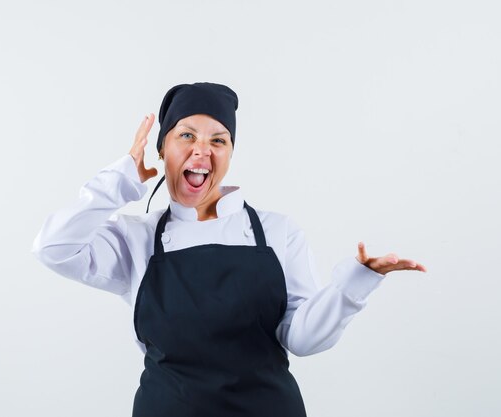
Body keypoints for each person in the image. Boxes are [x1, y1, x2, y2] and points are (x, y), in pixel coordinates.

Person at [31, 82, 427, 417]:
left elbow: (303, 340)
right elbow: (53, 247)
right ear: (161, 150)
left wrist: (354, 284)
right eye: (186, 135)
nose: (202, 151)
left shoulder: (276, 231)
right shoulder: (135, 239)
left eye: (218, 140)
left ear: (230, 153)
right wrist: (119, 181)